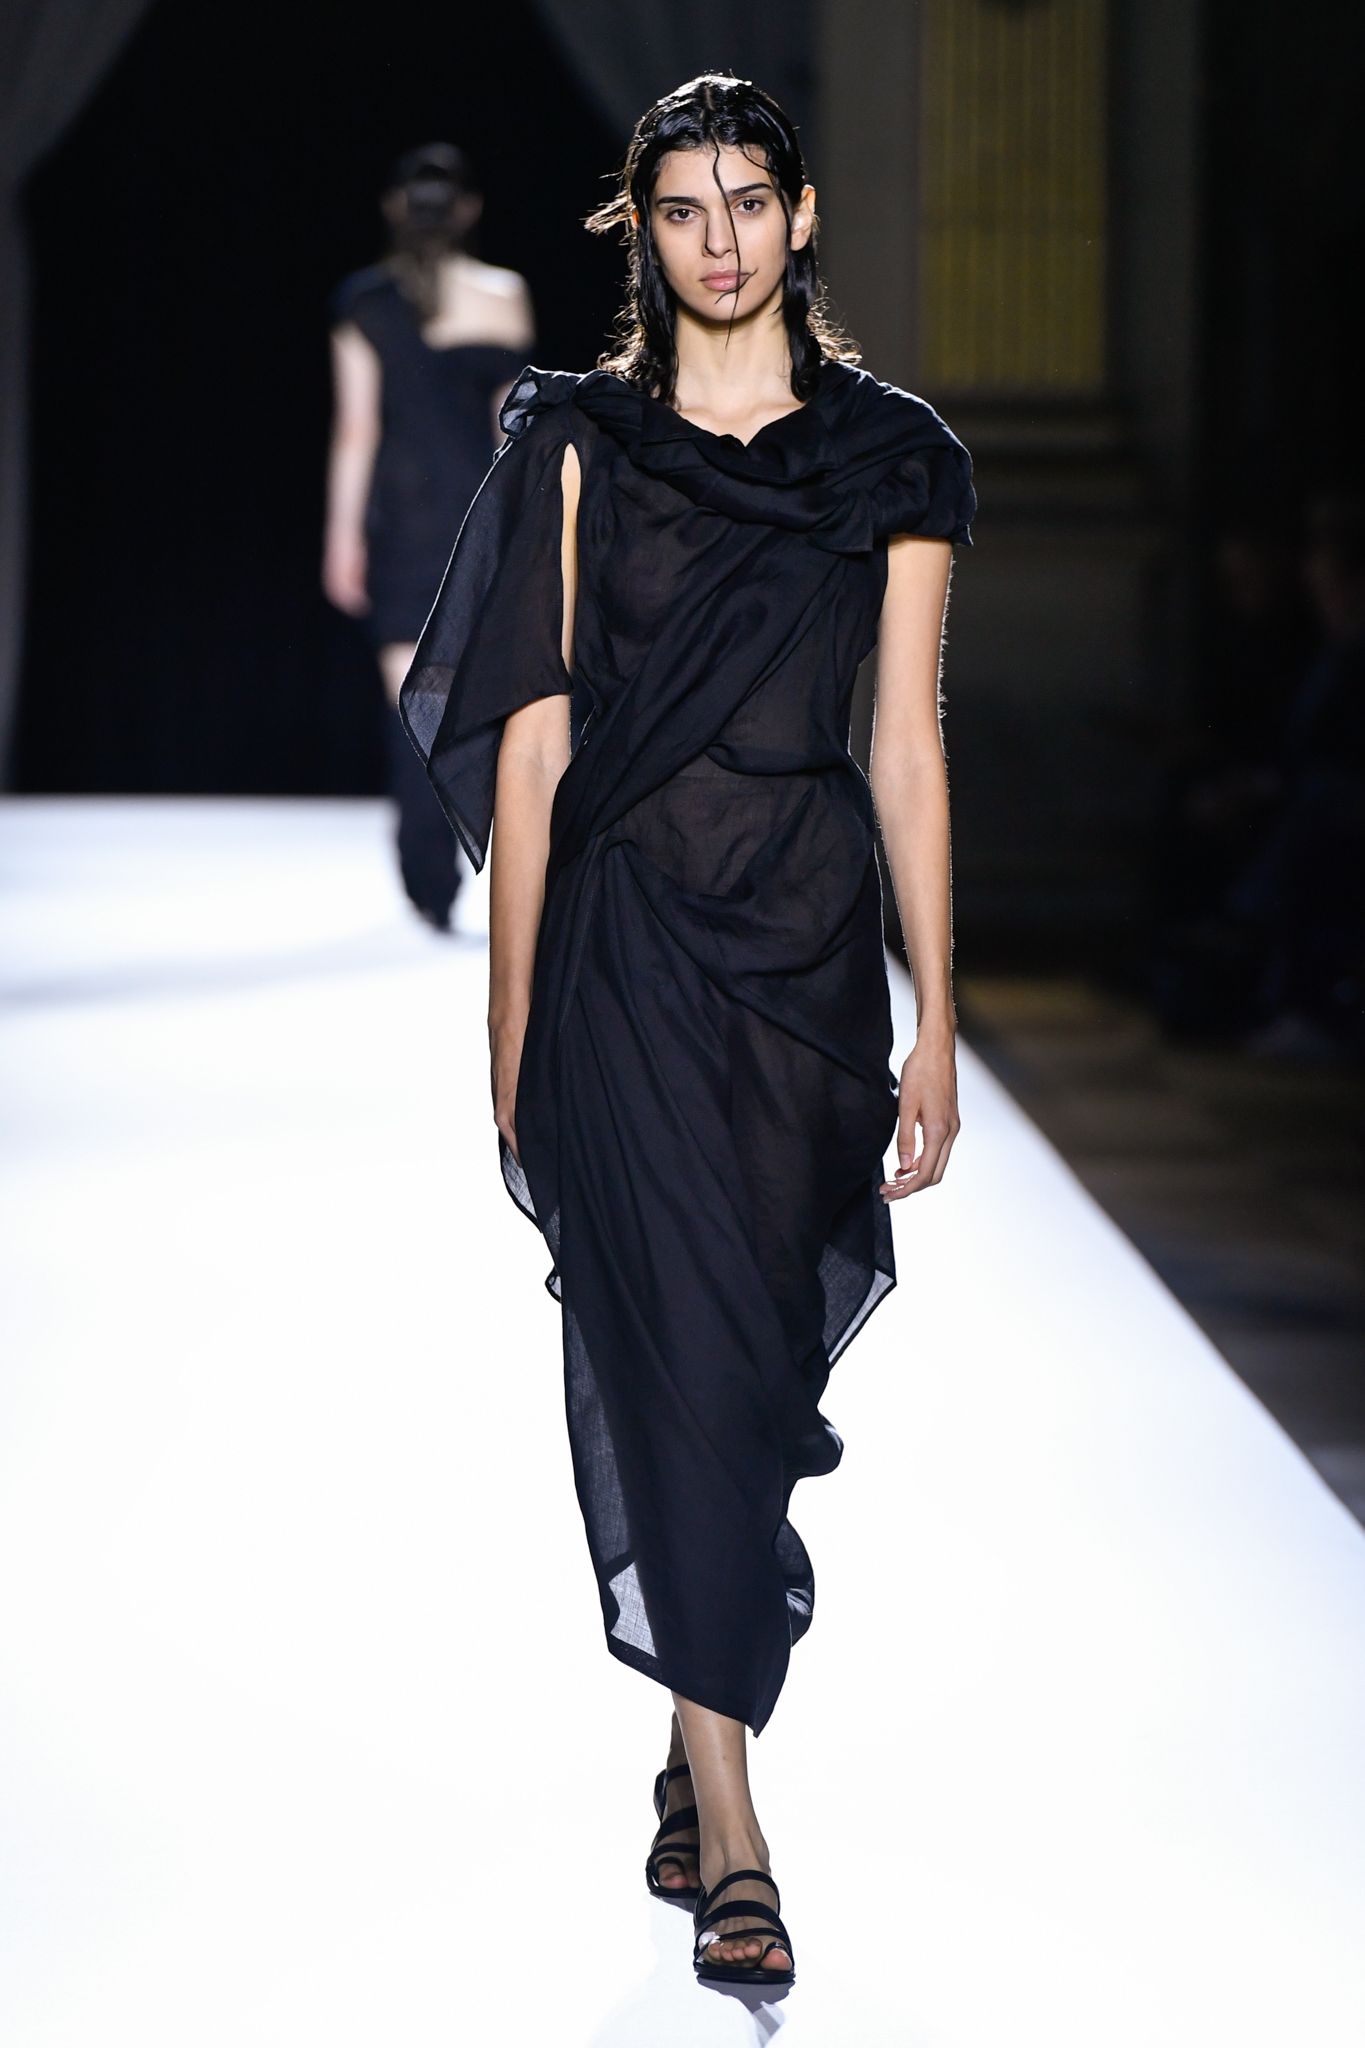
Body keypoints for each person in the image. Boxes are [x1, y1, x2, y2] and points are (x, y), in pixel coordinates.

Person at [399, 75, 976, 1986]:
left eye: (747, 201)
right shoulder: (578, 442)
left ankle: (686, 1719)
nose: (719, 238)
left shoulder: (895, 459)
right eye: (682, 207)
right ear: (639, 232)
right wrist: (510, 1026)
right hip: (627, 956)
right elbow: (533, 749)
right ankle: (734, 1822)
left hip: (804, 963)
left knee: (749, 1386)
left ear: (801, 217)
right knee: (670, 1362)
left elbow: (905, 742)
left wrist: (938, 1017)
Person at [324, 143, 534, 930]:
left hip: (402, 516)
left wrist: (342, 537)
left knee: (408, 698)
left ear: (394, 208)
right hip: (473, 514)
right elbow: (513, 427)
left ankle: (427, 877)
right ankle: (440, 869)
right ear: (469, 210)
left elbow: (357, 430)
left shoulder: (364, 300)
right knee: (453, 697)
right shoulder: (503, 294)